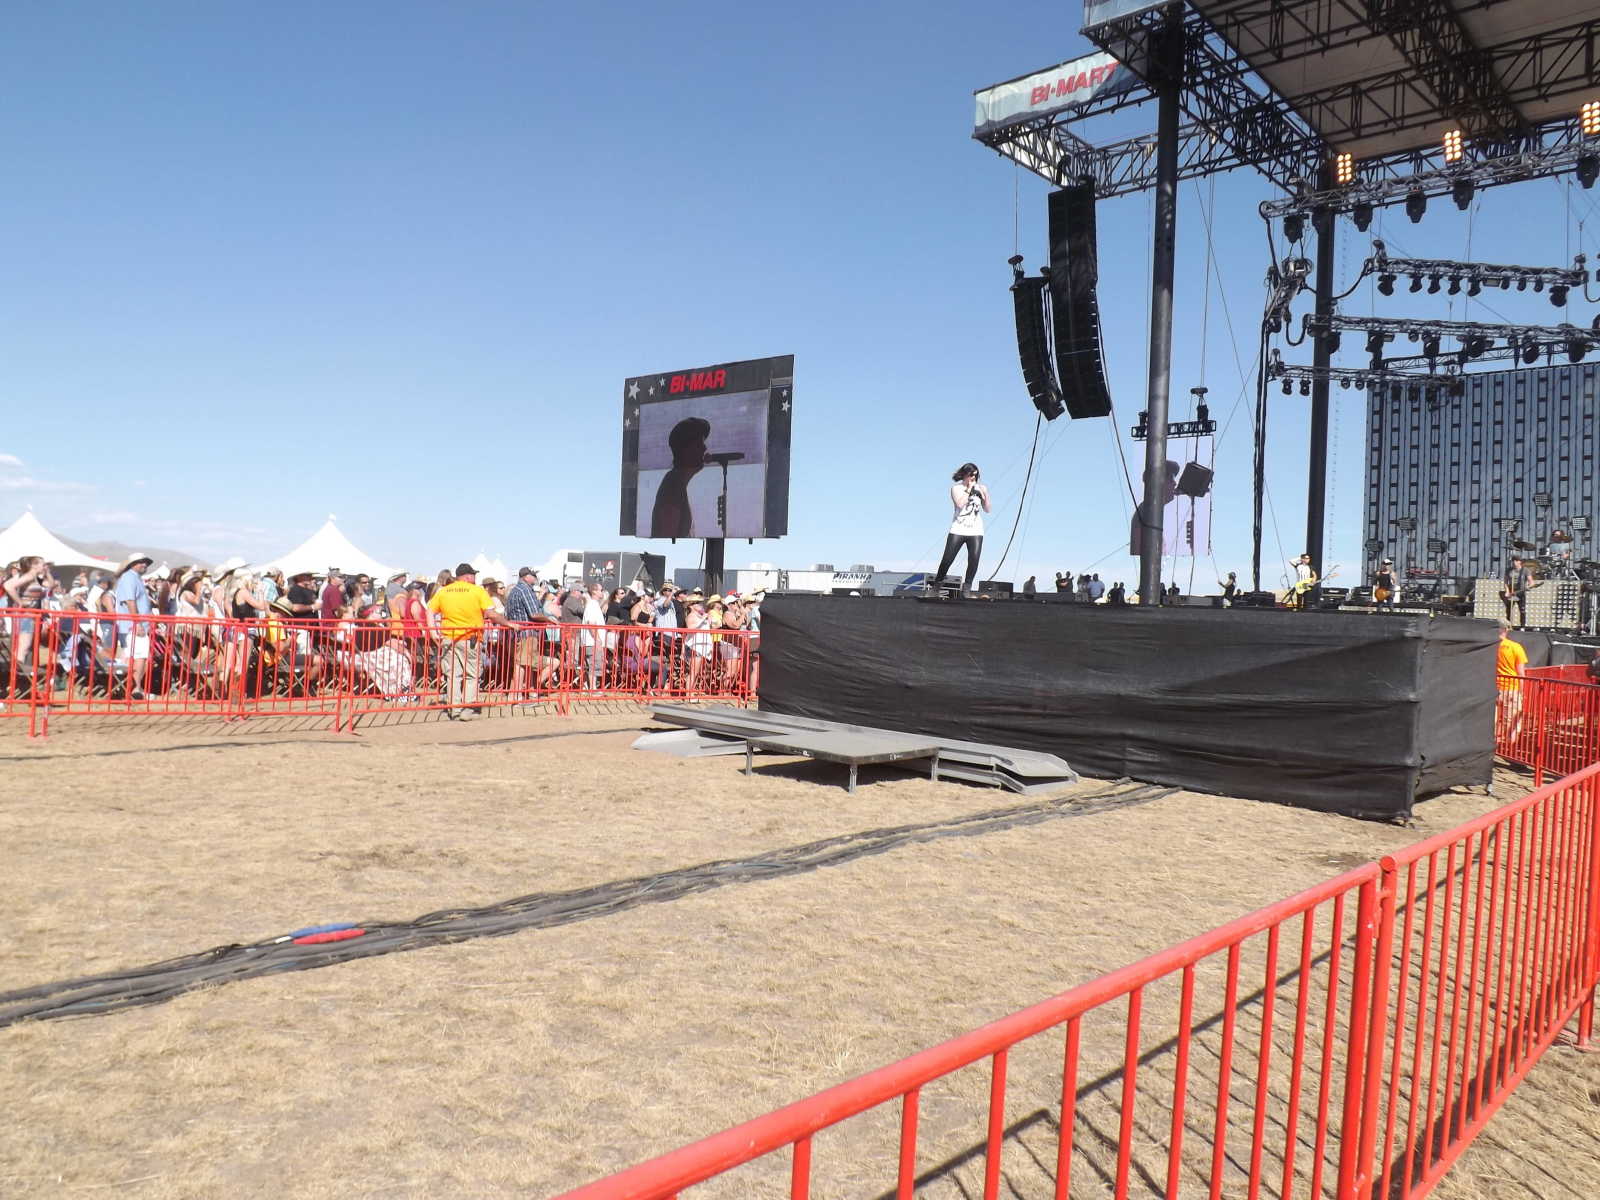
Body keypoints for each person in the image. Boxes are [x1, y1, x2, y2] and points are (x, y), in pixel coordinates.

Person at [426, 562, 509, 719]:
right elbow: (491, 614)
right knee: (472, 674)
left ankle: (454, 709)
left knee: (453, 675)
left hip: (449, 638)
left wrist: (433, 631)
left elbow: (430, 610)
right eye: (473, 575)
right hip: (471, 638)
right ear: (468, 576)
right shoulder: (477, 591)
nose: (475, 578)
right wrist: (508, 623)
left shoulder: (444, 591)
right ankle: (468, 708)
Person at [933, 462, 990, 595]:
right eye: (971, 475)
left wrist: (985, 494)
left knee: (974, 559)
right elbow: (959, 504)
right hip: (958, 528)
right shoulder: (956, 488)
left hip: (976, 530)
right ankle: (937, 586)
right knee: (947, 559)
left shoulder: (980, 488)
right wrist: (969, 489)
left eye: (975, 475)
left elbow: (987, 509)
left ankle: (967, 588)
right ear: (965, 475)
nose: (973, 478)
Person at [651, 416, 710, 537]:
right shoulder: (672, 485)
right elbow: (667, 536)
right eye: (699, 443)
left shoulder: (676, 483)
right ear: (685, 449)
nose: (705, 448)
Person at [112, 553, 154, 698]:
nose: (144, 564)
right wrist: (137, 623)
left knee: (137, 657)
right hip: (133, 626)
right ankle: (136, 689)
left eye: (146, 562)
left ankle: (133, 689)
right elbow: (130, 601)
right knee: (139, 657)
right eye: (141, 562)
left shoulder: (135, 578)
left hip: (136, 625)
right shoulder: (129, 577)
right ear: (132, 564)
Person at [1496, 620, 1528, 742]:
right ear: (1506, 630)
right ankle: (1510, 746)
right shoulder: (1515, 647)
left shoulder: (1490, 646)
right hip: (1511, 688)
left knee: (1494, 718)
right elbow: (1521, 673)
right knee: (1512, 720)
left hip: (1494, 687)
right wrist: (1522, 692)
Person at [1502, 555, 1532, 627]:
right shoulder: (1509, 570)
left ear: (1520, 562)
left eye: (1516, 561)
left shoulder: (1525, 570)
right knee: (1508, 610)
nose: (1514, 562)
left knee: (1522, 610)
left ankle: (1522, 626)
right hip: (1511, 592)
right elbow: (1505, 582)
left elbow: (1531, 582)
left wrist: (1529, 586)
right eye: (1513, 561)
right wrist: (1507, 591)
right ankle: (1508, 625)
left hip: (1520, 592)